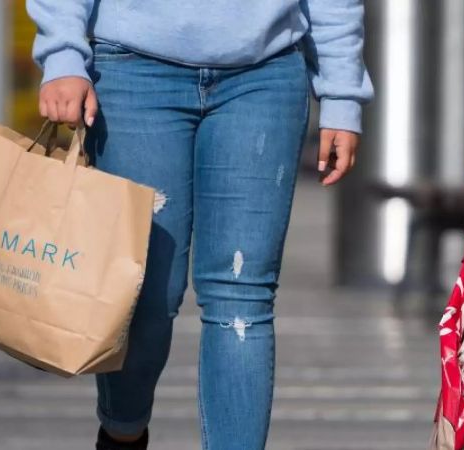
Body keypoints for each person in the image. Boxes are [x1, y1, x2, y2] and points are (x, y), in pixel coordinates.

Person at [28, 1, 372, 449]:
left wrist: (342, 92)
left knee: (241, 297)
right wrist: (63, 54)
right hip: (132, 71)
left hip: (264, 76)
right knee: (144, 293)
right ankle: (122, 431)